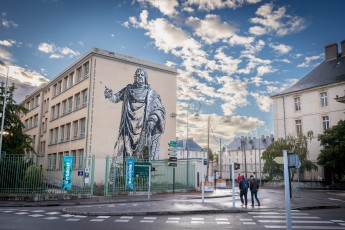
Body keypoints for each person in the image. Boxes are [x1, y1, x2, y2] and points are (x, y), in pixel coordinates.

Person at [104, 68, 166, 160]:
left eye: (141, 75)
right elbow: (116, 98)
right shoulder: (128, 90)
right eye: (137, 75)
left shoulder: (152, 94)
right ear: (135, 77)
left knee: (143, 153)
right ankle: (127, 172)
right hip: (128, 127)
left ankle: (143, 172)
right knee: (127, 152)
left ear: (145, 78)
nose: (139, 77)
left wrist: (153, 119)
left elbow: (160, 109)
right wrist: (109, 95)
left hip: (144, 127)